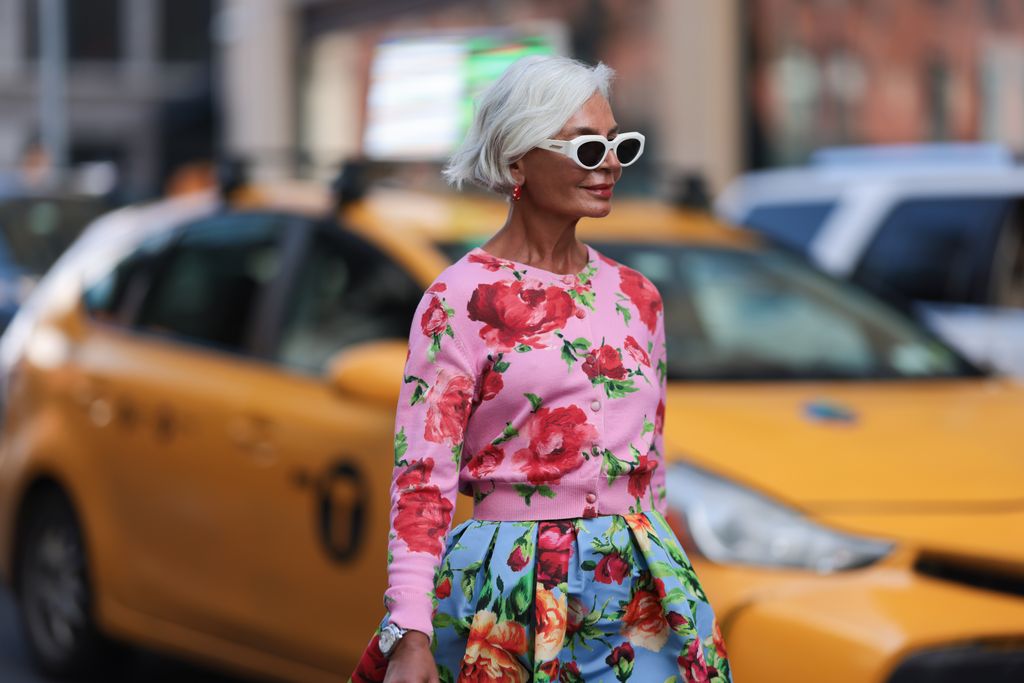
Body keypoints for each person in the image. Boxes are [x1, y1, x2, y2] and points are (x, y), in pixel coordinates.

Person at [349, 55, 733, 683]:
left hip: (637, 588)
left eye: (618, 145)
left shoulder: (638, 296)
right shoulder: (459, 299)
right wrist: (409, 631)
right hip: (510, 589)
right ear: (516, 162)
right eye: (587, 148)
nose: (610, 164)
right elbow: (422, 480)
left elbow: (652, 467)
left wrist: (670, 576)